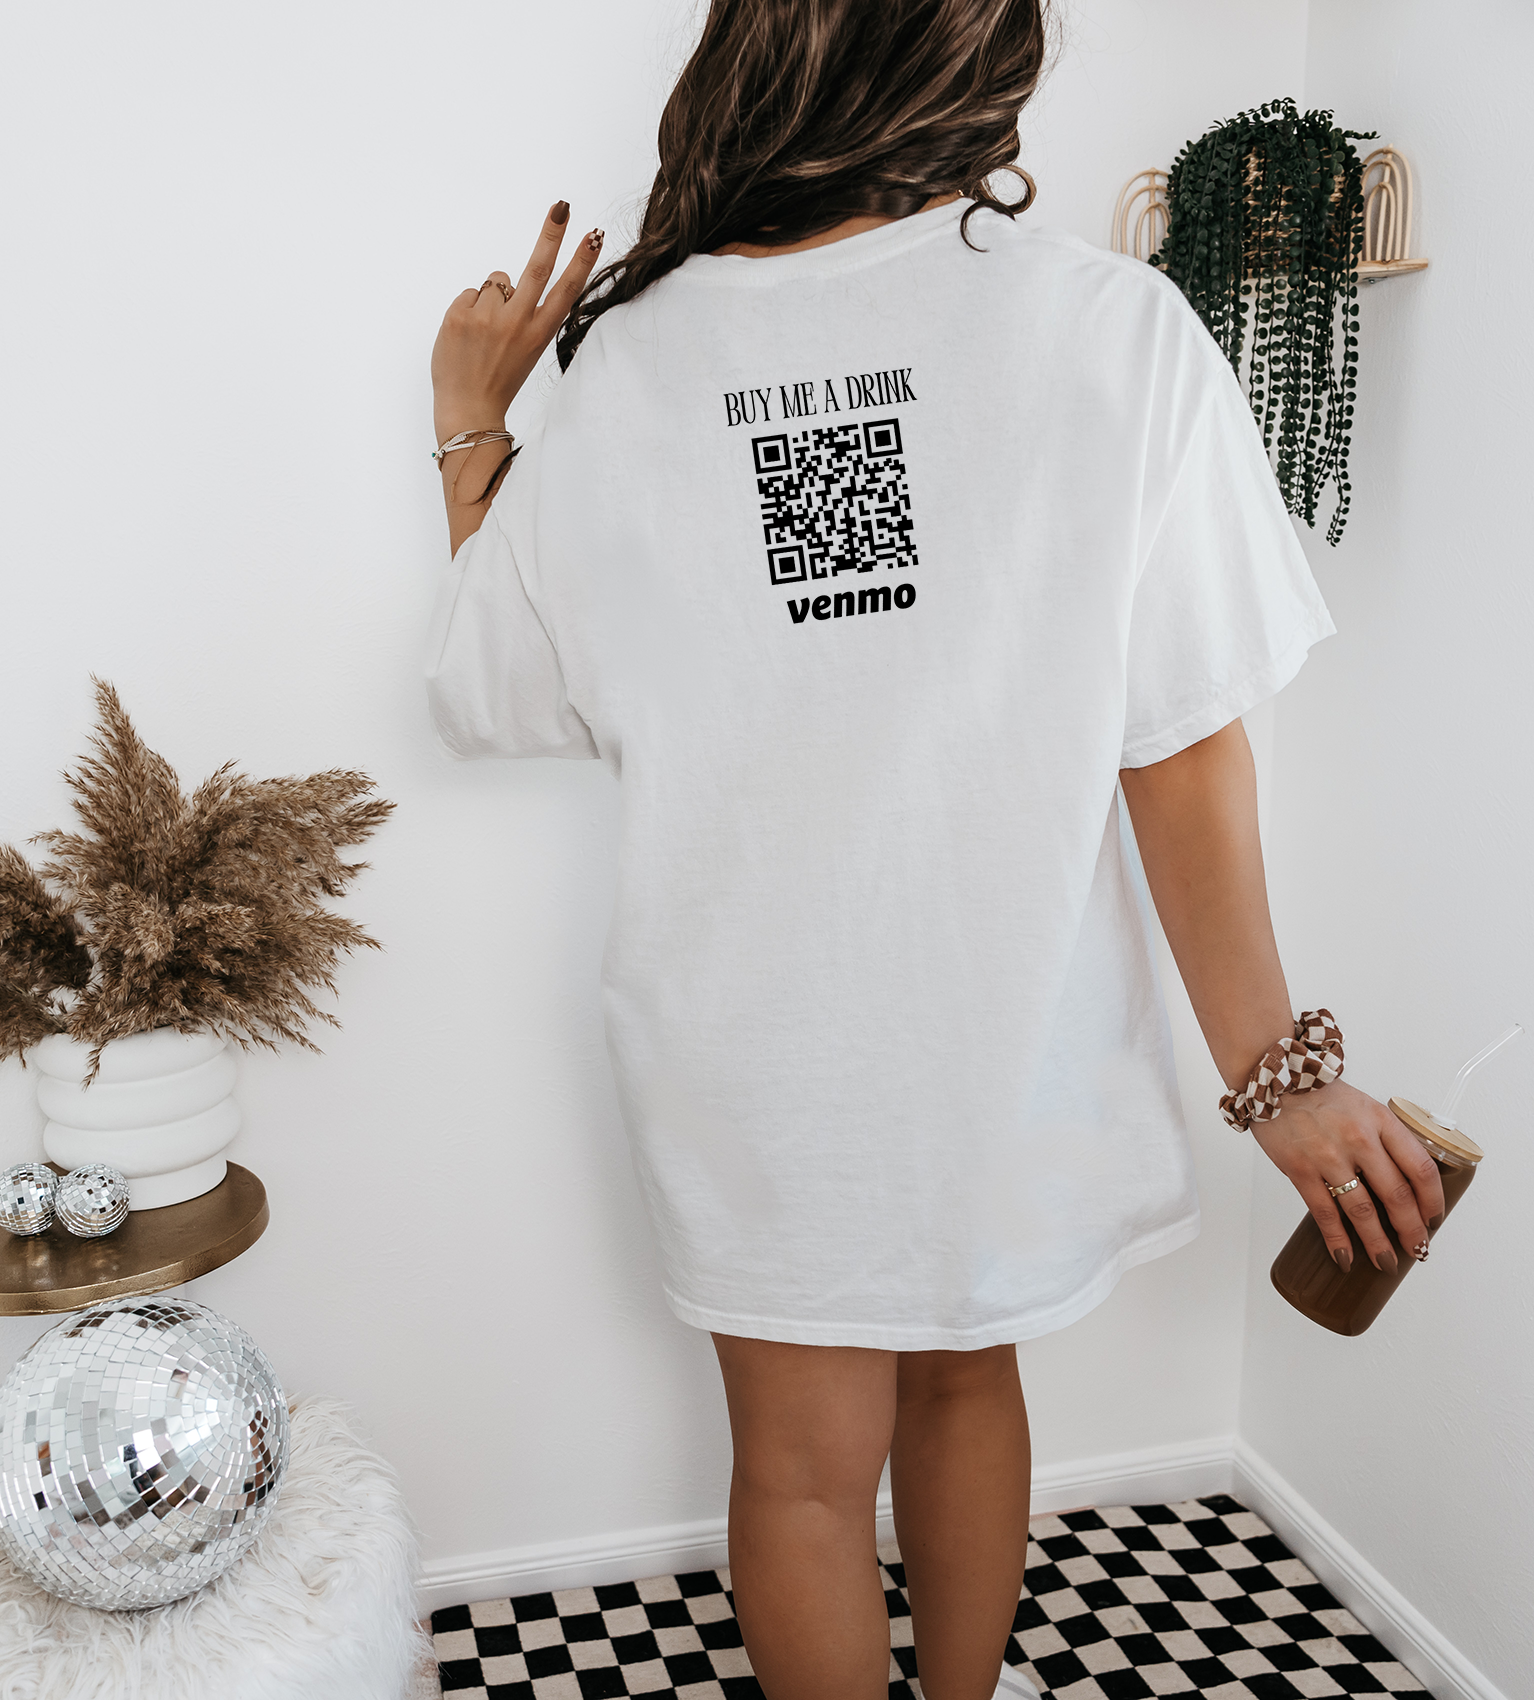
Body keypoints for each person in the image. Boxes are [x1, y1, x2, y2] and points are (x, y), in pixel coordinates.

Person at [423, 3, 1445, 1696]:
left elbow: (498, 698)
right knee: (971, 1380)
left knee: (801, 1471)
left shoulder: (629, 367)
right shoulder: (1111, 330)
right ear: (969, 67)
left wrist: (473, 428)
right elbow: (1184, 747)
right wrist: (1278, 1077)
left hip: (744, 1041)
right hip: (1009, 1020)